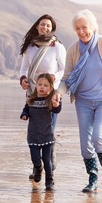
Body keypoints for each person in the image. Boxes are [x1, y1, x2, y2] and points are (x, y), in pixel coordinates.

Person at [55, 9, 102, 193]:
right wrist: (58, 93)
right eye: (77, 28)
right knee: (85, 143)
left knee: (99, 136)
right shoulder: (73, 49)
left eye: (84, 27)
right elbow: (66, 78)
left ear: (93, 27)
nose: (81, 32)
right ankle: (93, 178)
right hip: (83, 102)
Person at [19, 14, 66, 173]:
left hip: (51, 93)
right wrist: (23, 78)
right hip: (33, 91)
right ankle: (36, 166)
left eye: (48, 25)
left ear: (52, 28)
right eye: (42, 24)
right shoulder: (30, 46)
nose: (45, 27)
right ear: (37, 26)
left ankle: (50, 163)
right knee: (35, 128)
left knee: (49, 128)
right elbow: (24, 67)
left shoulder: (57, 47)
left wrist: (54, 78)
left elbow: (64, 69)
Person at [20, 73, 61, 191]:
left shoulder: (50, 100)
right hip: (33, 135)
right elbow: (26, 110)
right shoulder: (31, 100)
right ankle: (38, 169)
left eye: (45, 85)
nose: (42, 87)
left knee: (47, 160)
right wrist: (24, 115)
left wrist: (56, 104)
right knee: (35, 158)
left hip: (47, 135)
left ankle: (49, 180)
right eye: (40, 85)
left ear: (51, 88)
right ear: (36, 86)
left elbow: (57, 110)